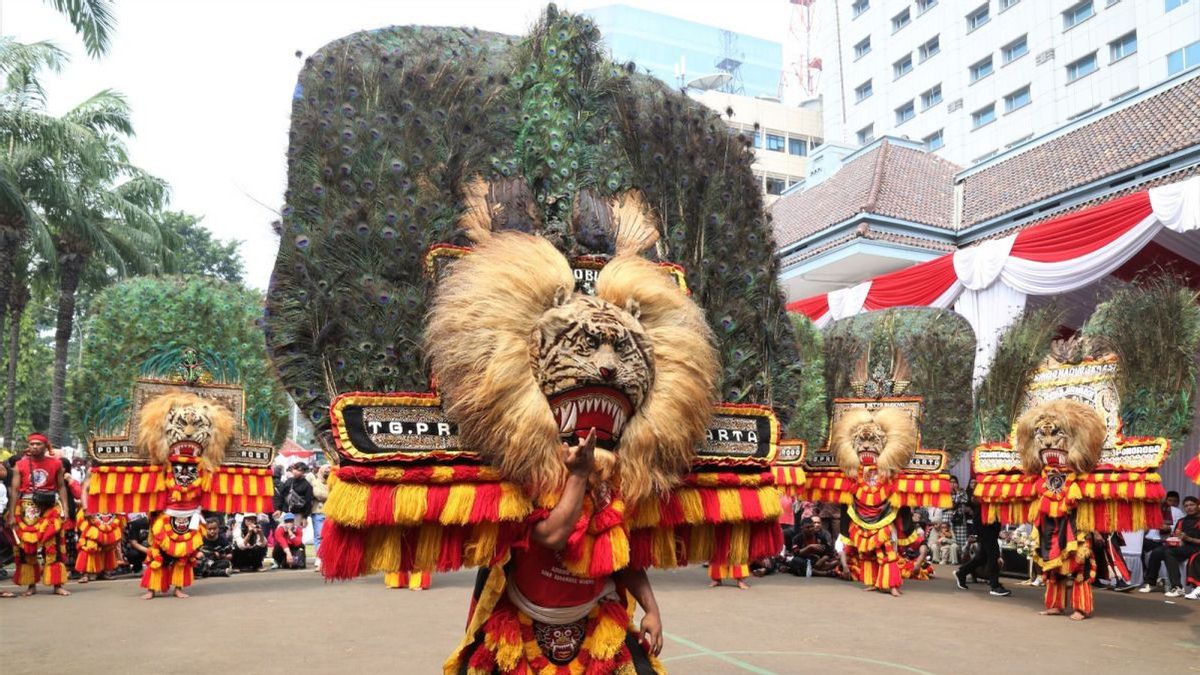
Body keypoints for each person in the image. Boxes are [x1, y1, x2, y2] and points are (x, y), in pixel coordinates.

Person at [5, 433, 71, 596]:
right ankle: (31, 585)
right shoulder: (19, 465)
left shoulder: (56, 464)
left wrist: (66, 509)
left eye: (38, 444)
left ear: (45, 446)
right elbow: (14, 490)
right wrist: (12, 514)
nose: (34, 447)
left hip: (50, 507)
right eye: (32, 444)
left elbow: (62, 487)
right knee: (27, 548)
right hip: (27, 508)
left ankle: (57, 585)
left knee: (53, 546)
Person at [1139, 495, 1200, 598]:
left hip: (1195, 548)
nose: (1189, 507)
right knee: (1157, 551)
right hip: (1182, 547)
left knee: (1169, 552)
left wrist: (1188, 539)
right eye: (1186, 506)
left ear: (1198, 506)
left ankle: (1177, 587)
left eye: (1192, 505)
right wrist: (1174, 539)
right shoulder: (1181, 521)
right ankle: (1151, 582)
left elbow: (1191, 540)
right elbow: (1173, 537)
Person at [954, 495, 1010, 597]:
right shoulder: (983, 490)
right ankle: (994, 586)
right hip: (985, 526)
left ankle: (962, 573)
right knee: (994, 555)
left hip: (990, 526)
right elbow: (974, 500)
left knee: (982, 558)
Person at [74, 510, 126, 583]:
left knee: (109, 548)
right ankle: (85, 574)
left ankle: (105, 572)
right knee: (90, 546)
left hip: (110, 519)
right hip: (93, 519)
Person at [1142, 491, 1183, 584]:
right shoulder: (1151, 510)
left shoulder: (1174, 511)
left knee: (1155, 551)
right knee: (1137, 549)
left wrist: (1168, 528)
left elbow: (1179, 527)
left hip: (1163, 540)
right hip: (1148, 539)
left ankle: (1151, 579)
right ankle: (1146, 576)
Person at [274, 462, 313, 529]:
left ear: (303, 472)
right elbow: (281, 496)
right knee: (282, 532)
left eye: (299, 470)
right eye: (295, 469)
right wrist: (278, 509)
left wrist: (304, 517)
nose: (295, 471)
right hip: (286, 512)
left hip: (298, 514)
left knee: (295, 532)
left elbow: (308, 502)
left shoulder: (307, 486)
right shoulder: (289, 481)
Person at [307, 464, 330, 571]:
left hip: (330, 513)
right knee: (319, 536)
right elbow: (318, 494)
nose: (327, 472)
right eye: (325, 470)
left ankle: (327, 559)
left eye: (328, 471)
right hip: (318, 512)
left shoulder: (331, 482)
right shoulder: (314, 480)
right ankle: (320, 559)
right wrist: (329, 496)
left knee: (329, 537)